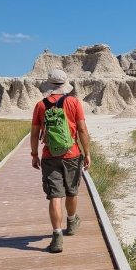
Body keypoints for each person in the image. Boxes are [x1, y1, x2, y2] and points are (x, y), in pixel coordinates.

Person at [30, 68, 91, 253]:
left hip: (50, 156)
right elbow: (82, 130)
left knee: (55, 196)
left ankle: (57, 236)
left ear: (49, 85)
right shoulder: (74, 102)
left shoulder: (41, 106)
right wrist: (87, 153)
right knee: (72, 191)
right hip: (72, 154)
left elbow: (34, 133)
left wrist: (34, 154)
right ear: (65, 86)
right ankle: (71, 223)